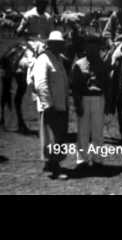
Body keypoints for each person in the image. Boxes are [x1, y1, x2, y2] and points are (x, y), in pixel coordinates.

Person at [32, 31, 70, 180]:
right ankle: (55, 167)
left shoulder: (58, 59)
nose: (61, 46)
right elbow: (41, 84)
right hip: (51, 106)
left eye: (62, 43)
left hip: (60, 103)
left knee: (57, 136)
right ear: (51, 44)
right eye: (58, 44)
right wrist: (48, 105)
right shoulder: (43, 59)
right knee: (53, 137)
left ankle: (51, 163)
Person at [71, 34, 108, 170]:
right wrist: (77, 103)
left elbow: (106, 83)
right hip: (84, 98)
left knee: (98, 130)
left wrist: (107, 101)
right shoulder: (79, 64)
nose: (93, 49)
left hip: (99, 98)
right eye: (89, 46)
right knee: (83, 130)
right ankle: (82, 160)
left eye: (95, 46)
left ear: (99, 48)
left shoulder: (103, 63)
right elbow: (74, 86)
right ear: (85, 48)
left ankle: (98, 159)